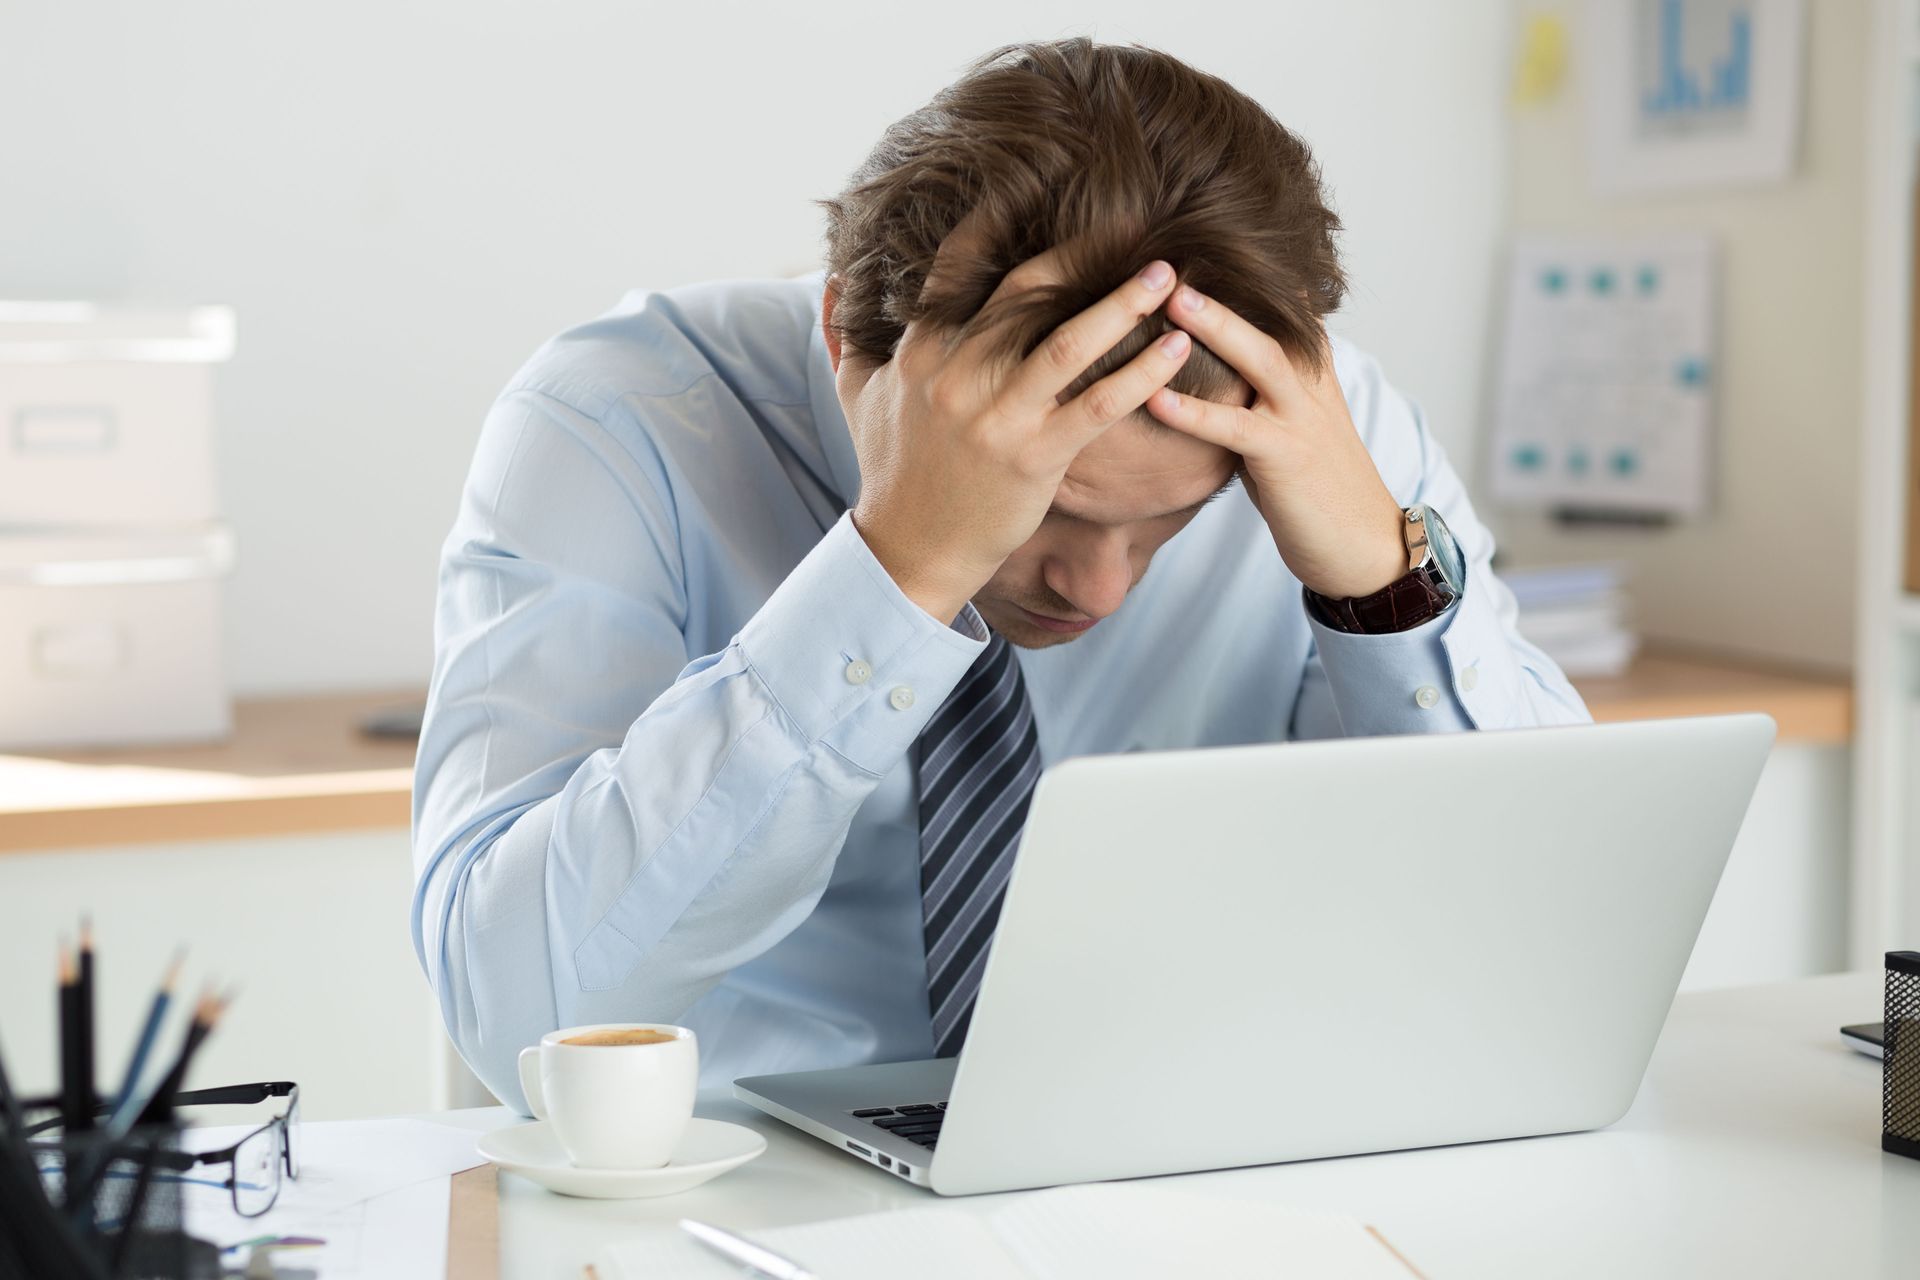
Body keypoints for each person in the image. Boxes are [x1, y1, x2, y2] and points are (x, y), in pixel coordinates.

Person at [411, 37, 1589, 1110]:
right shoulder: (616, 422)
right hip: (730, 1182)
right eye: (1050, 506)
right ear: (848, 344)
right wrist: (900, 571)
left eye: (1171, 520)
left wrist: (1383, 589)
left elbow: (1549, 951)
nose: (1100, 590)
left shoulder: (1313, 424)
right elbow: (522, 1018)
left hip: (1184, 1152)